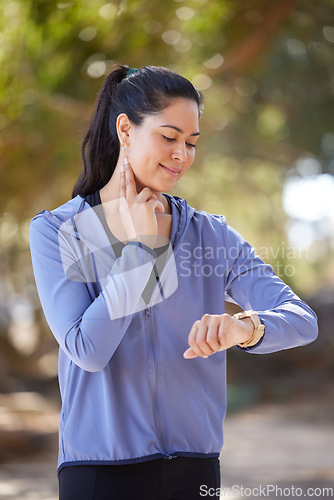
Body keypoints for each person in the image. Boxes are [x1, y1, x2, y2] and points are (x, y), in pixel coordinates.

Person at [29, 65, 318, 500]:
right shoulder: (58, 231)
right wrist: (143, 249)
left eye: (191, 142)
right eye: (169, 137)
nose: (181, 154)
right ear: (125, 129)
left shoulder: (210, 234)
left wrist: (246, 327)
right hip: (99, 473)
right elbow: (87, 350)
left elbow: (302, 320)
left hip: (194, 471)